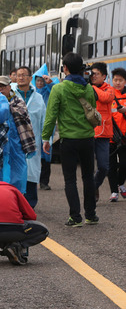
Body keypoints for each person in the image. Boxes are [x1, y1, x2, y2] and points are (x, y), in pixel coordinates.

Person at [42, 53, 98, 227]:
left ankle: (75, 217)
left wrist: (46, 138)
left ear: (65, 68)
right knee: (88, 177)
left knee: (70, 179)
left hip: (68, 140)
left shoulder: (59, 88)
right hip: (88, 138)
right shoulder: (88, 88)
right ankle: (91, 214)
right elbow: (92, 111)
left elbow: (51, 116)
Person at [0, 75, 36, 198]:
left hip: (16, 144)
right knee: (0, 176)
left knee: (18, 175)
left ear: (9, 87)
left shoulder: (18, 102)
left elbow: (23, 115)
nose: (1, 89)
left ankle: (17, 203)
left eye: (3, 86)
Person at [13, 66, 46, 208]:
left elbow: (44, 120)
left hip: (33, 141)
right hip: (15, 141)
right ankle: (15, 205)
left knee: (32, 173)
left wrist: (46, 140)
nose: (20, 77)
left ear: (30, 78)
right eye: (18, 75)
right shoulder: (11, 95)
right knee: (16, 173)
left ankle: (30, 205)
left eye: (23, 75)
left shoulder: (38, 98)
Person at [89, 62, 114, 202]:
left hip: (103, 134)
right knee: (89, 167)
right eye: (91, 74)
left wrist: (91, 87)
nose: (93, 77)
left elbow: (106, 98)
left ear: (104, 76)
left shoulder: (109, 89)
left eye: (96, 74)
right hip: (88, 132)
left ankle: (93, 187)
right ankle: (92, 192)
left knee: (104, 167)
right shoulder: (86, 88)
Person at [33, 63, 60, 190]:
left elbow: (57, 89)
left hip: (47, 124)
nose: (39, 83)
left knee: (46, 153)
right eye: (37, 80)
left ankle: (44, 181)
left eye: (42, 80)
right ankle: (32, 180)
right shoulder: (32, 92)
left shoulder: (50, 90)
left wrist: (49, 82)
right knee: (33, 153)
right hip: (34, 125)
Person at [108, 67, 126, 202]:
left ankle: (121, 184)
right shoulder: (108, 95)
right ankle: (114, 191)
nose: (118, 82)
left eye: (120, 80)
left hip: (124, 138)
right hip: (110, 137)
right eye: (115, 80)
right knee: (111, 166)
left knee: (124, 164)